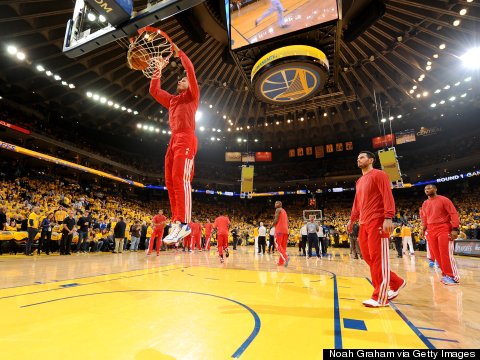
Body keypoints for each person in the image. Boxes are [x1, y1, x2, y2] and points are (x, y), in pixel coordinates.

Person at [150, 43, 199, 245]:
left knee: (181, 178)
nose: (180, 80)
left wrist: (180, 54)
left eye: (183, 79)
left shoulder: (192, 96)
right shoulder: (172, 100)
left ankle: (184, 223)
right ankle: (177, 222)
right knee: (170, 181)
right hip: (173, 139)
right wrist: (158, 68)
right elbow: (154, 90)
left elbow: (191, 71)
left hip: (186, 138)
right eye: (179, 79)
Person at [347, 151, 405, 307]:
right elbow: (357, 202)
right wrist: (352, 219)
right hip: (363, 223)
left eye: (362, 157)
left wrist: (388, 217)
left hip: (378, 220)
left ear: (371, 160)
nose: (359, 159)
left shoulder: (379, 175)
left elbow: (387, 195)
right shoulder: (359, 181)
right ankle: (396, 282)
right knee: (367, 257)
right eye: (357, 157)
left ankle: (380, 296)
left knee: (378, 258)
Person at [420, 184, 460, 285]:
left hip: (443, 228)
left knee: (445, 253)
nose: (427, 190)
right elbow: (424, 218)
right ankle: (446, 274)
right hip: (430, 230)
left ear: (435, 189)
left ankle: (453, 276)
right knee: (437, 255)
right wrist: (423, 229)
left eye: (429, 188)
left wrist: (455, 228)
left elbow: (453, 213)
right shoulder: (425, 203)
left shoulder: (444, 199)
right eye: (425, 189)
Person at [271, 201, 289, 267]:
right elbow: (287, 221)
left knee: (278, 246)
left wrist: (271, 225)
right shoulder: (284, 211)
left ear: (280, 204)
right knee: (283, 247)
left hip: (279, 230)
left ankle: (286, 257)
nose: (275, 204)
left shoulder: (278, 209)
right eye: (275, 203)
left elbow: (276, 219)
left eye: (277, 203)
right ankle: (280, 262)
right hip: (286, 231)